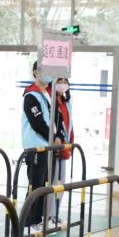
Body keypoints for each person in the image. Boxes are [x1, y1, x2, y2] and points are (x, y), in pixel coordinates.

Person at [22, 61, 57, 233]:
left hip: (47, 147)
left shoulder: (48, 94)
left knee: (44, 185)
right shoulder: (31, 96)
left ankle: (38, 219)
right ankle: (29, 221)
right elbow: (38, 123)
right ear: (36, 72)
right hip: (36, 147)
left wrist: (57, 138)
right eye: (46, 71)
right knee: (35, 185)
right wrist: (52, 138)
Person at [48, 76, 74, 225]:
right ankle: (49, 214)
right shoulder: (50, 101)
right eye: (59, 81)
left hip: (65, 145)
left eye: (65, 81)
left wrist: (70, 143)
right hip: (56, 144)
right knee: (53, 182)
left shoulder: (66, 102)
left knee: (61, 181)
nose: (63, 84)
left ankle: (55, 213)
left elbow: (69, 125)